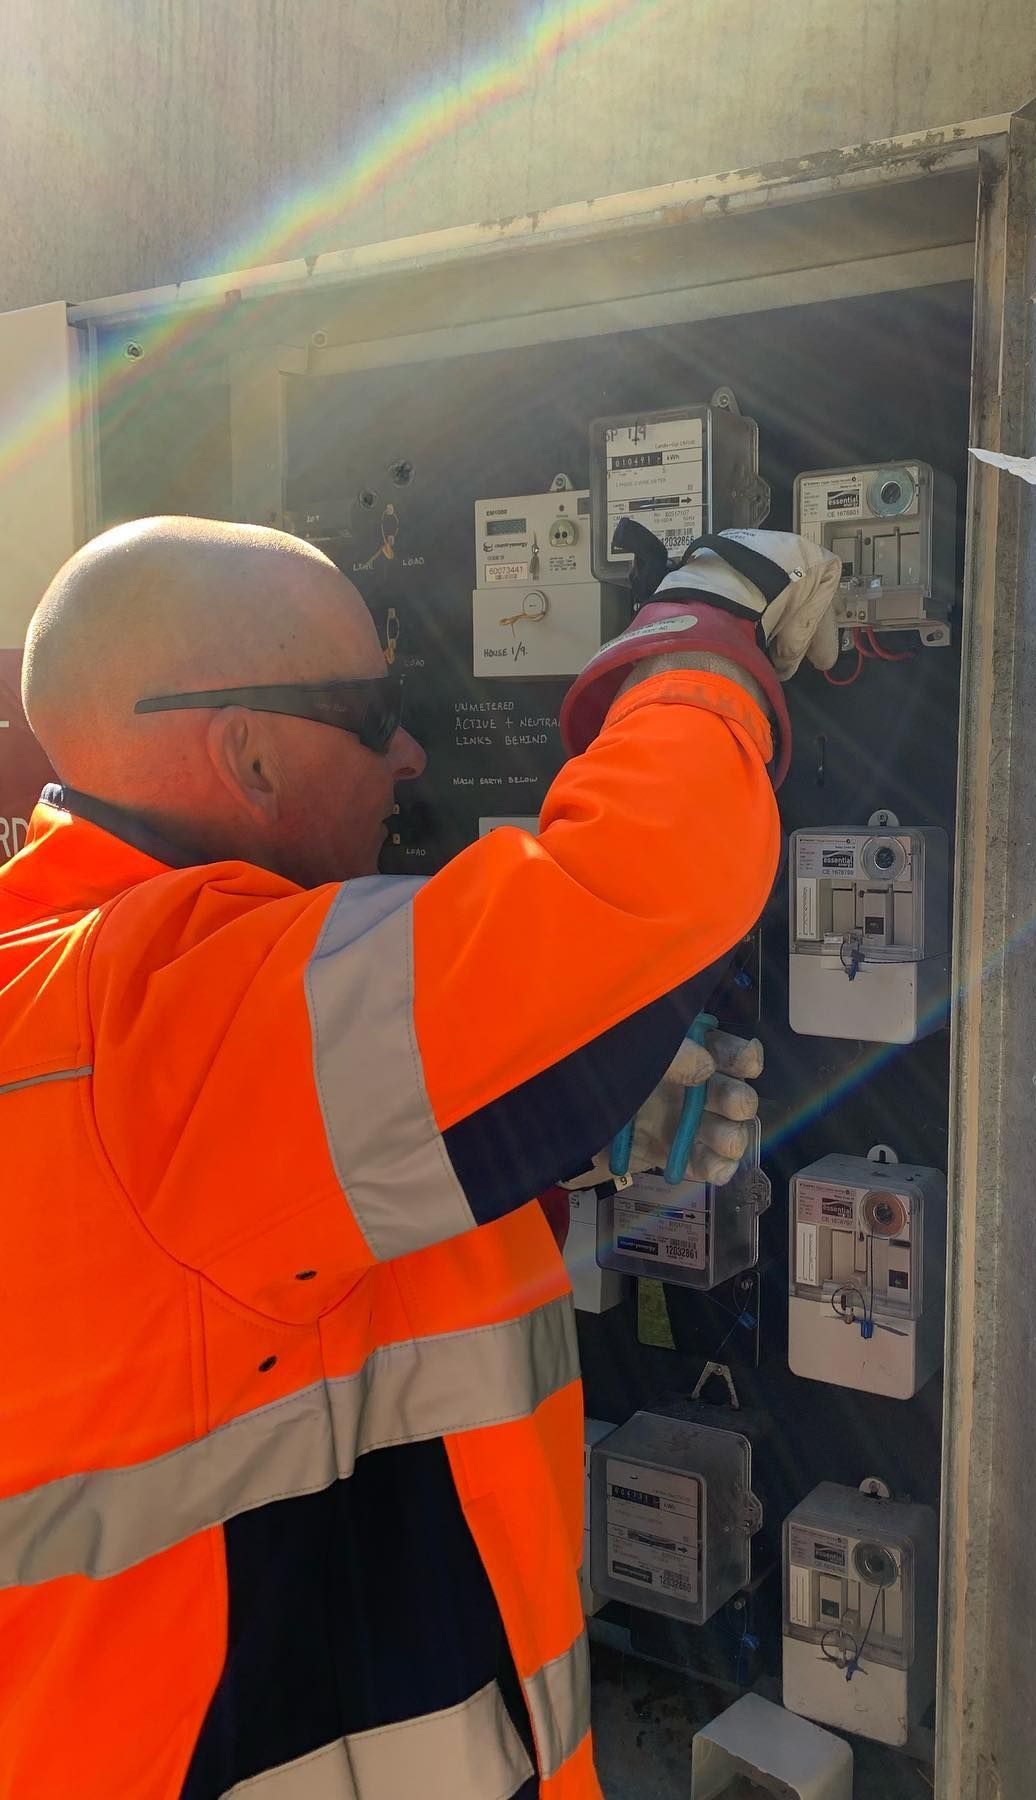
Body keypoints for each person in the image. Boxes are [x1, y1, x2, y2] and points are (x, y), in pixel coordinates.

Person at [0, 514, 839, 1799]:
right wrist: (699, 640)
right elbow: (630, 887)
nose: (408, 753)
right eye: (373, 707)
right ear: (251, 756)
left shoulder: (59, 1014)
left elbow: (278, 1319)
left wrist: (547, 1165)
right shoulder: (169, 1013)